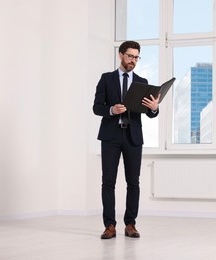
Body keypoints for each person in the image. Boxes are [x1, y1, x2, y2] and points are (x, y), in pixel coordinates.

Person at [93, 41, 160, 239]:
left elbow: (150, 113)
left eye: (136, 57)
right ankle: (109, 226)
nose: (133, 60)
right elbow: (97, 107)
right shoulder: (106, 79)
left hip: (133, 136)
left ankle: (130, 224)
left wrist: (154, 107)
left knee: (133, 182)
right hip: (111, 136)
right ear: (121, 55)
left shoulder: (142, 81)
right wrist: (112, 110)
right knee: (108, 182)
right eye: (130, 56)